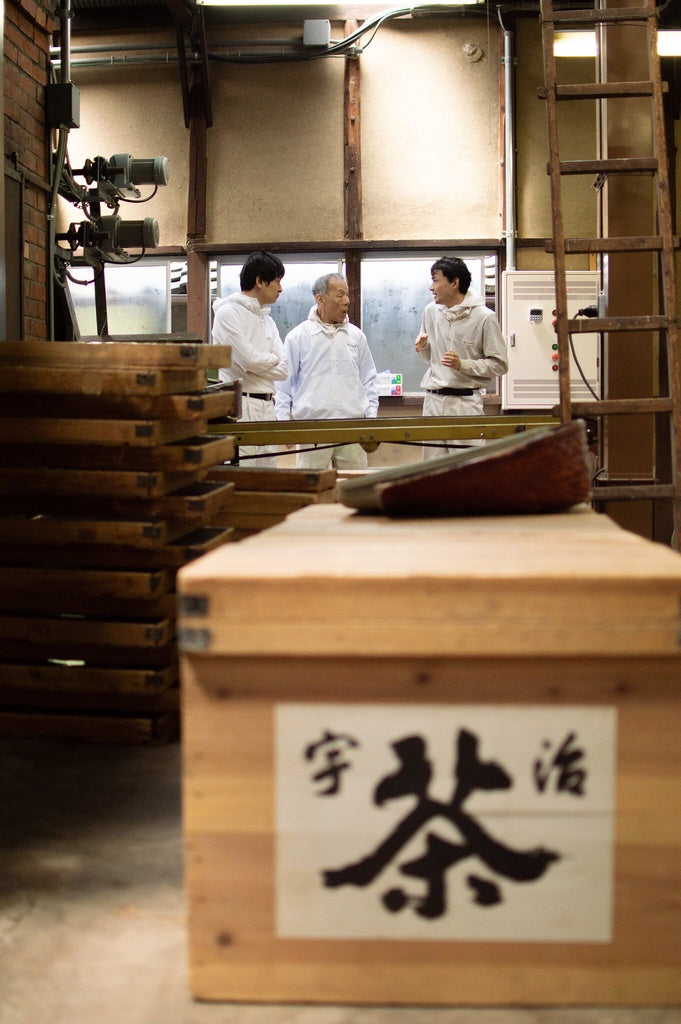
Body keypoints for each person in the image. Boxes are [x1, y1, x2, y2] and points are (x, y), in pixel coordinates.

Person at [275, 273, 378, 470]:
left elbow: (369, 379)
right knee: (312, 489)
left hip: (352, 429)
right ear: (320, 299)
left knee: (354, 489)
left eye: (347, 295)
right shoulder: (298, 336)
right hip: (312, 430)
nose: (346, 301)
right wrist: (283, 424)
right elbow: (283, 385)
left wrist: (371, 417)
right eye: (340, 295)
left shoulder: (356, 336)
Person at [415, 256, 508, 459]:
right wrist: (423, 348)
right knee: (432, 471)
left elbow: (499, 365)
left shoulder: (484, 317)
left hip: (465, 404)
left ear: (454, 282)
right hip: (433, 401)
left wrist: (462, 365)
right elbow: (431, 358)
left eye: (436, 280)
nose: (431, 287)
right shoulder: (431, 311)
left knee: (469, 469)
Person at [211, 250, 288, 468]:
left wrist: (259, 364)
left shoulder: (267, 320)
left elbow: (284, 370)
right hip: (241, 406)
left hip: (267, 406)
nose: (281, 288)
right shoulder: (228, 313)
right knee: (243, 474)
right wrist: (268, 360)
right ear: (260, 281)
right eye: (277, 281)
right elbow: (249, 361)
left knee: (268, 477)